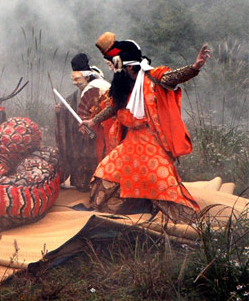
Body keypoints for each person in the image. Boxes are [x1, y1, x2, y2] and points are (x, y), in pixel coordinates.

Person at [83, 32, 211, 223]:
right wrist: (93, 121)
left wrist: (194, 68)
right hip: (130, 143)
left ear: (131, 67)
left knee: (163, 184)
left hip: (152, 142)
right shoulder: (122, 84)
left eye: (117, 67)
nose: (114, 72)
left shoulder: (154, 77)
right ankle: (133, 206)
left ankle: (187, 220)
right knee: (105, 175)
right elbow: (114, 107)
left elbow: (172, 77)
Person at [55, 53, 112, 191]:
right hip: (99, 126)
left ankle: (101, 186)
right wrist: (61, 110)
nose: (77, 86)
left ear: (87, 76)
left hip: (104, 126)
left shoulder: (97, 87)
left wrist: (94, 120)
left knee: (102, 155)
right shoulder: (87, 89)